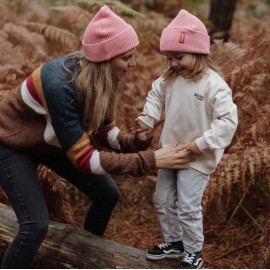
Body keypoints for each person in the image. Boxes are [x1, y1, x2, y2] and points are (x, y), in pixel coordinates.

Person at [0, 5, 194, 269]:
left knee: (107, 195)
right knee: (34, 225)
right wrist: (151, 159)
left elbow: (105, 132)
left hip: (50, 140)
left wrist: (136, 141)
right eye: (127, 57)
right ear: (105, 59)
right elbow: (85, 160)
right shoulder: (59, 84)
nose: (133, 63)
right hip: (11, 144)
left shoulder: (100, 77)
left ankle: (86, 258)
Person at [136, 9, 238, 269]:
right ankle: (174, 242)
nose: (173, 63)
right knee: (163, 199)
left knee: (187, 204)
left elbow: (227, 122)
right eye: (169, 58)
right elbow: (155, 96)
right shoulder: (169, 79)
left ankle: (194, 251)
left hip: (198, 155)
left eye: (178, 57)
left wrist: (200, 144)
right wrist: (147, 119)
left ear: (199, 52)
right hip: (170, 150)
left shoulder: (214, 85)